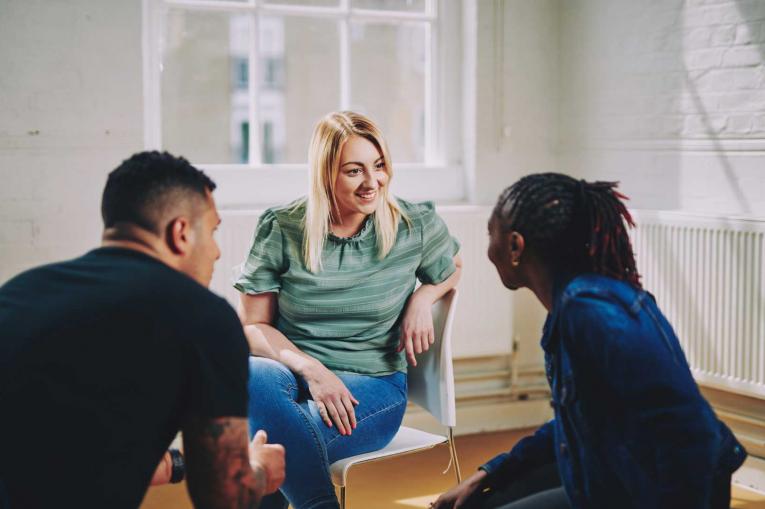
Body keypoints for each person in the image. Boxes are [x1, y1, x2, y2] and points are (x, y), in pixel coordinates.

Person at [433, 173, 747, 509]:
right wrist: (491, 473)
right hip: (611, 476)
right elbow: (575, 425)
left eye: (489, 234)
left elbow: (692, 437)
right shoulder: (572, 308)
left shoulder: (592, 313)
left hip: (657, 495)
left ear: (514, 246)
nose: (487, 247)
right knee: (470, 504)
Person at [0, 151, 285, 509]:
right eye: (212, 231)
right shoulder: (203, 317)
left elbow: (62, 448)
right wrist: (259, 469)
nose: (214, 252)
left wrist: (179, 465)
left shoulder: (19, 293)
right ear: (180, 232)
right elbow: (224, 495)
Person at [234, 111, 462, 509]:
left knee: (267, 442)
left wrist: (422, 298)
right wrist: (313, 369)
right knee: (252, 373)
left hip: (373, 385)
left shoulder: (414, 224)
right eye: (354, 171)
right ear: (325, 174)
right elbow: (254, 327)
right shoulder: (283, 227)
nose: (373, 182)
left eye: (379, 166)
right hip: (292, 375)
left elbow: (454, 267)